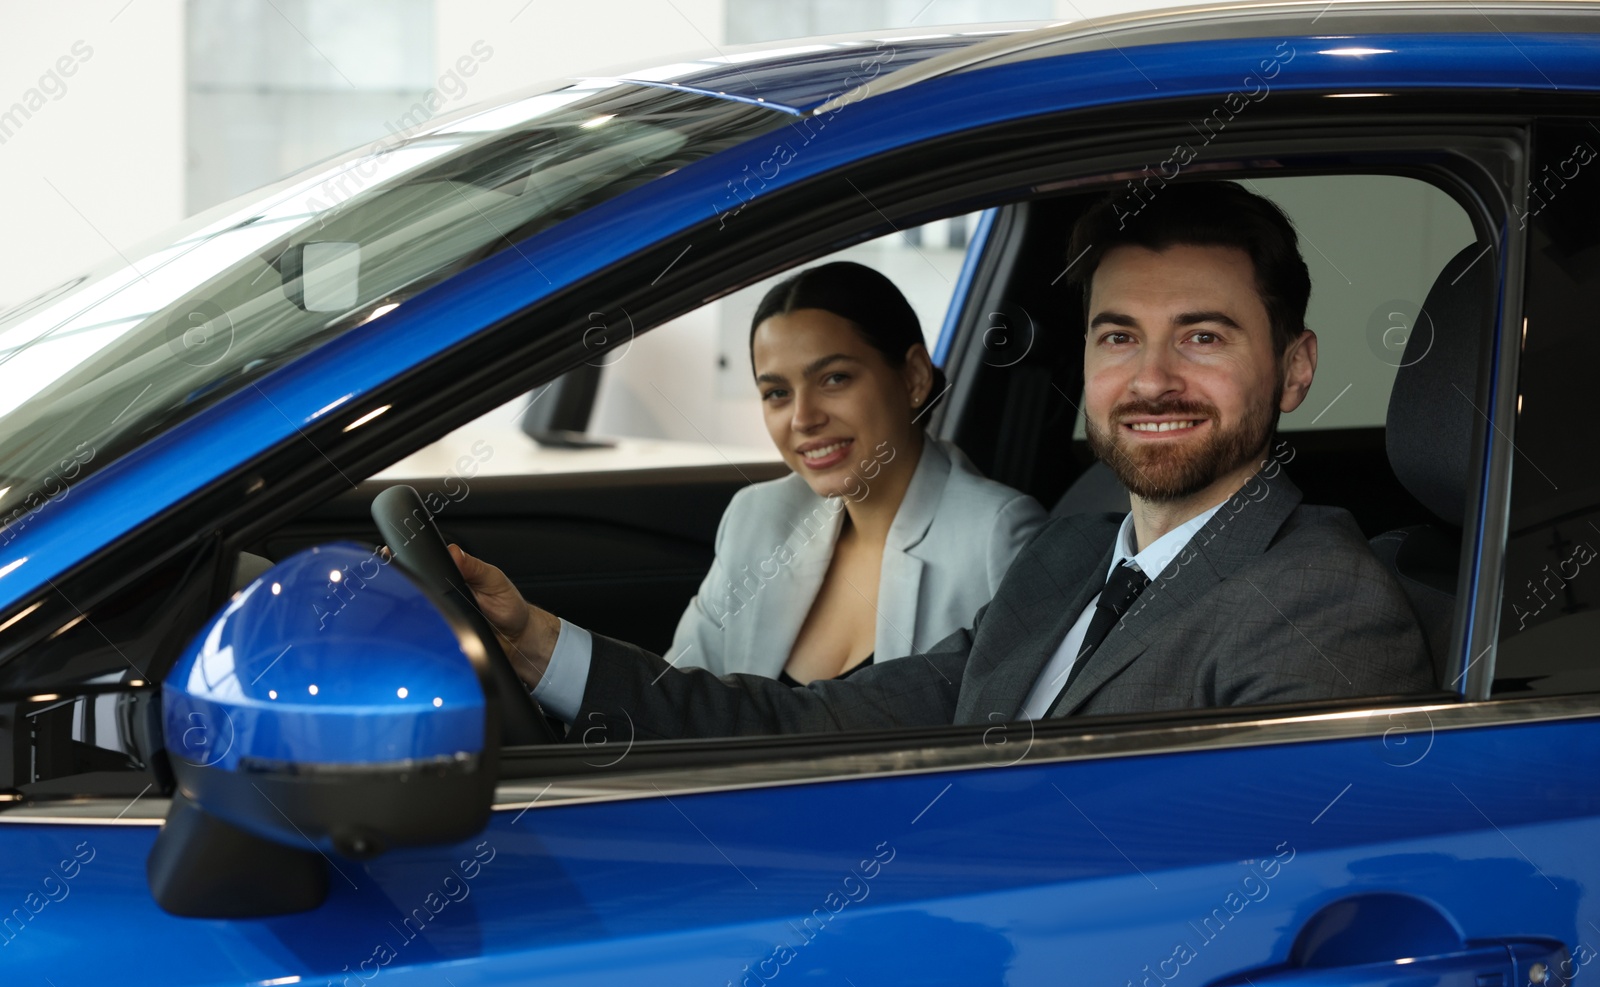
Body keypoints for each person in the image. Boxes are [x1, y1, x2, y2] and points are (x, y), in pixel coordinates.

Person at [448, 180, 1434, 739]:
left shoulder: (1322, 608)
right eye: (1117, 336)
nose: (1152, 378)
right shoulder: (1077, 548)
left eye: (1204, 337)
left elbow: (1221, 908)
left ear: (1294, 367)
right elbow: (820, 723)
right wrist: (536, 640)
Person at [667, 262, 1046, 684]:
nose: (803, 418)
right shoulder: (757, 518)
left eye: (834, 378)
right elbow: (676, 699)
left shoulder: (998, 539)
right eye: (777, 393)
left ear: (915, 377)